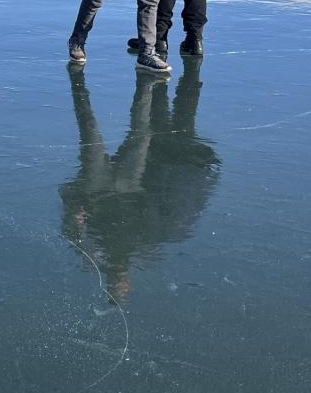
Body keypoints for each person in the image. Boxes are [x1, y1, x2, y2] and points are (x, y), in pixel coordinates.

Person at [60, 58, 218, 299]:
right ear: (127, 283)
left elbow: (70, 231)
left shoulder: (93, 258)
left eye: (116, 285)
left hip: (99, 190)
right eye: (121, 285)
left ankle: (135, 86)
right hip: (128, 188)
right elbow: (156, 220)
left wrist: (75, 217)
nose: (119, 281)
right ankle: (144, 87)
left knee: (95, 133)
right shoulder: (143, 254)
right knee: (140, 134)